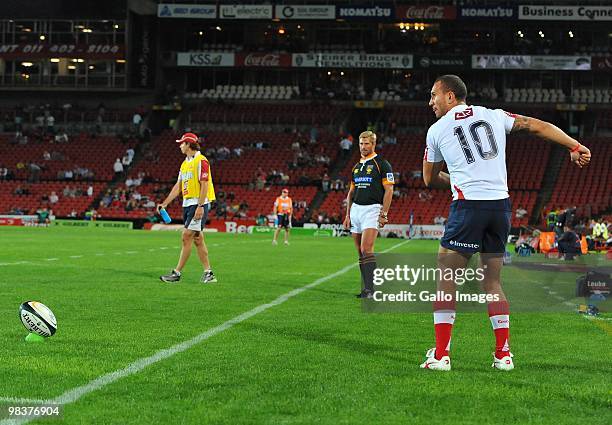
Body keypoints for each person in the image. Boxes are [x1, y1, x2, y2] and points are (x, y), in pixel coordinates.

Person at [420, 75, 591, 371]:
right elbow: (537, 126)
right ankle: (503, 355)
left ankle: (441, 355)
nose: (430, 101)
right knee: (493, 281)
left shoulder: (437, 130)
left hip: (468, 206)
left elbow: (428, 178)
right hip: (500, 208)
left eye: (434, 95)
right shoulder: (494, 115)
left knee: (446, 279)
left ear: (450, 96)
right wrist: (574, 145)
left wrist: (455, 180)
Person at [157, 133, 217, 284]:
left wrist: (200, 206)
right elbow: (178, 186)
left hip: (197, 203)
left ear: (189, 144)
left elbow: (204, 184)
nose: (180, 146)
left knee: (186, 236)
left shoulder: (201, 161)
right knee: (198, 239)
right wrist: (165, 203)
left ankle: (176, 273)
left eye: (182, 143)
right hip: (188, 204)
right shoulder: (185, 164)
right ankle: (209, 273)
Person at [343, 130, 394, 298]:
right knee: (360, 252)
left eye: (366, 144)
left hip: (372, 209)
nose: (363, 147)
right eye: (361, 144)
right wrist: (347, 215)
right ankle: (366, 287)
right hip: (356, 210)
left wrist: (384, 213)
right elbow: (350, 193)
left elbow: (389, 190)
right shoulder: (356, 167)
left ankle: (371, 289)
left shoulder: (382, 163)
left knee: (367, 249)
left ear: (373, 144)